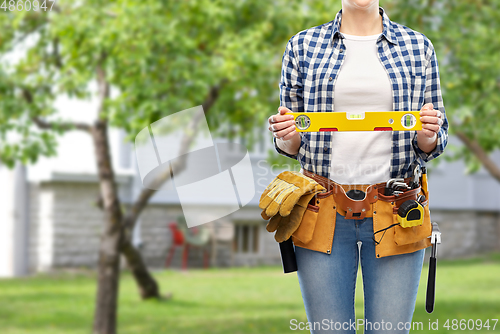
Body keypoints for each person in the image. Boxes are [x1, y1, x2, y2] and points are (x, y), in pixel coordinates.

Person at [267, 1, 448, 333]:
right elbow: (290, 143)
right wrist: (286, 134)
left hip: (398, 210)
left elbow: (433, 141)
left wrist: (428, 134)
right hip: (322, 209)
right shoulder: (303, 46)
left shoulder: (417, 46)